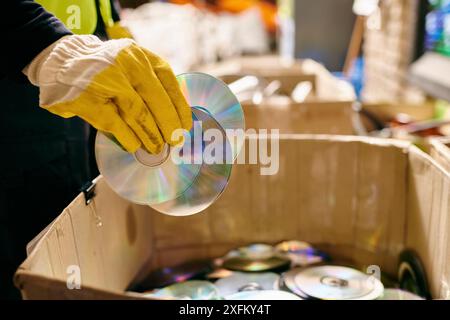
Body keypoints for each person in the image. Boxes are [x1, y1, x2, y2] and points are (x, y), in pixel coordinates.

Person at [0, 0, 192, 299]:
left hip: (77, 94)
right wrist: (37, 38)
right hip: (18, 91)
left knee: (76, 260)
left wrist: (110, 29)